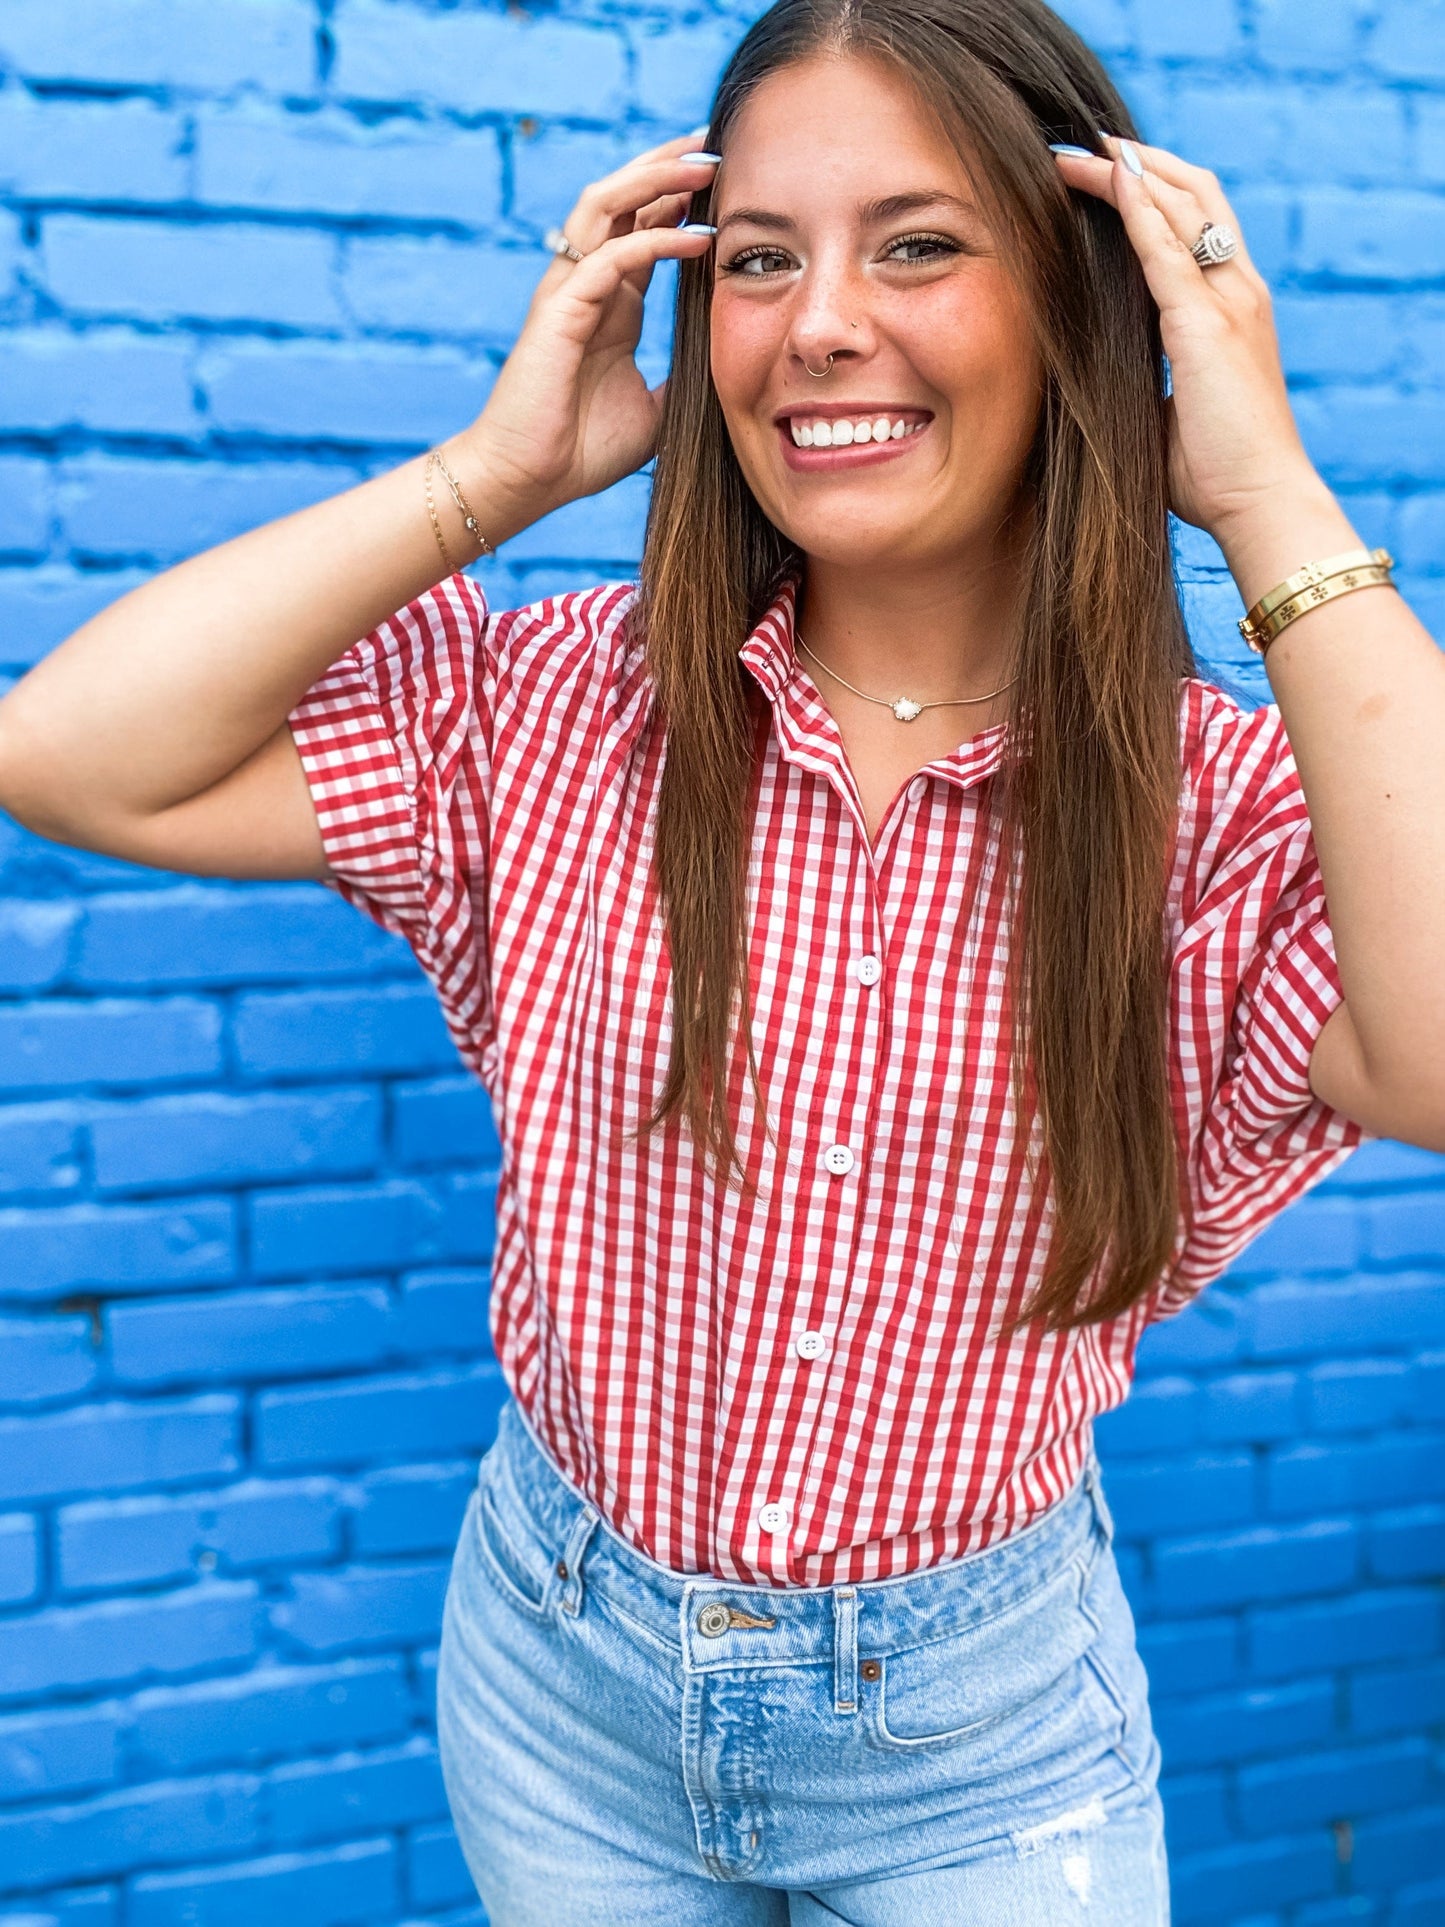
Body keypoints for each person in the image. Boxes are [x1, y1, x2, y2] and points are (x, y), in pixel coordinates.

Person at [2, 0, 1443, 1918]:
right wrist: (499, 474)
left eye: (917, 244)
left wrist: (1260, 485)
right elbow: (71, 755)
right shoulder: (569, 705)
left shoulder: (1231, 814)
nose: (820, 320)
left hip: (974, 1753)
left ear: (1091, 307)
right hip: (556, 1675)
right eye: (760, 258)